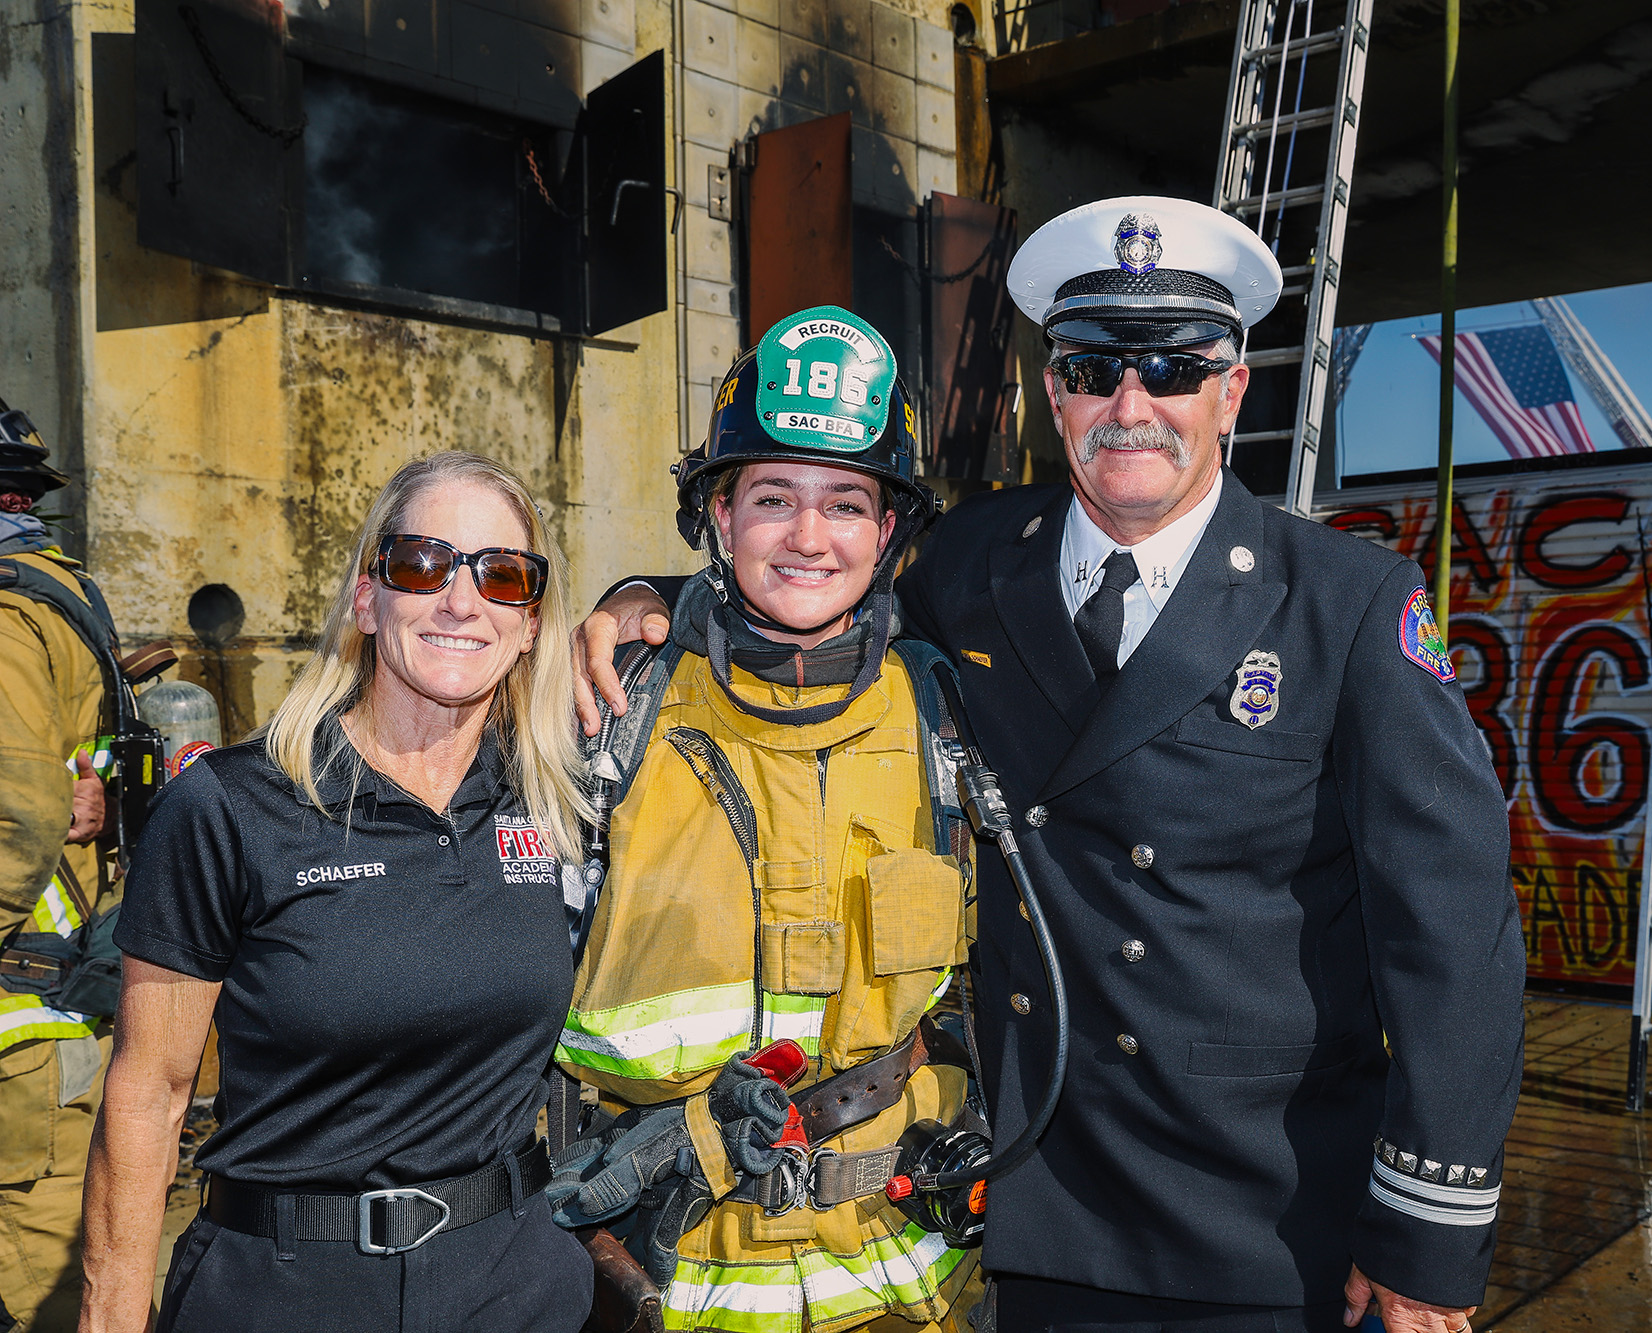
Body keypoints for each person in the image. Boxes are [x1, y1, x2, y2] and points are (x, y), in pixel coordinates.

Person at [580, 198, 1527, 1333]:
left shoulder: (1346, 605)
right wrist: (656, 604)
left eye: (1173, 370)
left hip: (1260, 1225)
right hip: (1023, 1208)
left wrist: (1424, 1231)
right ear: (1053, 394)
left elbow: (1452, 934)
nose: (1131, 406)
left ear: (1231, 390)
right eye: (1093, 367)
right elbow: (804, 586)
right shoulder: (973, 562)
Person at [80, 451, 597, 1333]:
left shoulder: (560, 801)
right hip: (285, 1289)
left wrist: (639, 601)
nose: (461, 600)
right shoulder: (233, 806)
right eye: (421, 563)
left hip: (515, 1286)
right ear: (368, 597)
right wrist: (110, 1316)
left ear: (533, 623)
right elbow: (150, 1092)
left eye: (502, 575)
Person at [547, 306, 986, 1332]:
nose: (806, 535)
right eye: (772, 496)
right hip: (654, 1269)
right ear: (715, 513)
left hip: (904, 1278)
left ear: (889, 532)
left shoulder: (944, 708)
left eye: (845, 502)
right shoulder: (610, 706)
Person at [0, 397, 121, 1331]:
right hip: (57, 1010)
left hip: (26, 1023)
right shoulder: (58, 591)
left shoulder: (5, 615)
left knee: (44, 1280)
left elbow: (19, 814)